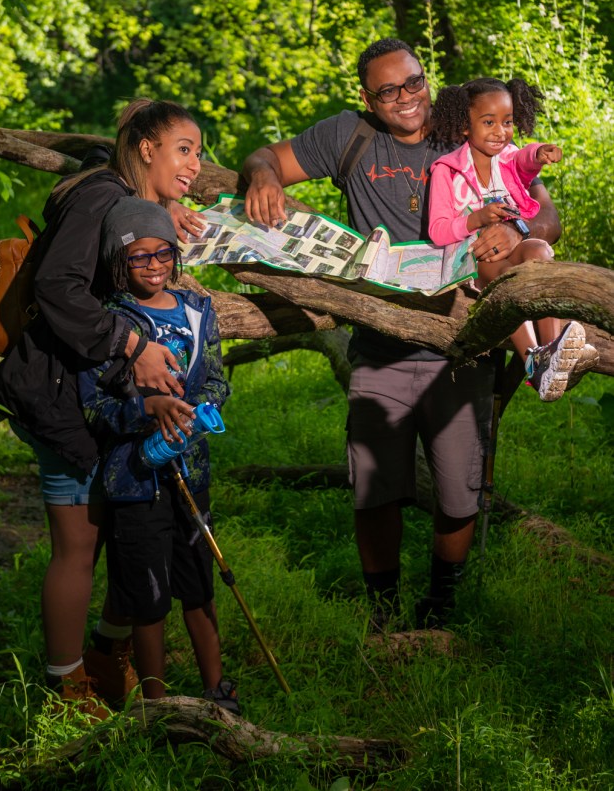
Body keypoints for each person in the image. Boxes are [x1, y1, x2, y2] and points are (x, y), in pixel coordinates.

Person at [240, 38, 567, 630]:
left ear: (427, 78)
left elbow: (545, 214)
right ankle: (383, 611)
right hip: (381, 346)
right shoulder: (349, 136)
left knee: (457, 490)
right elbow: (267, 157)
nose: (405, 98)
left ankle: (440, 608)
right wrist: (261, 178)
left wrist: (512, 228)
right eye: (387, 90)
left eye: (412, 82)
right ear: (367, 96)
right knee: (375, 487)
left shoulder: (465, 126)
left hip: (463, 344)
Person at [0, 99, 205, 717]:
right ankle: (66, 687)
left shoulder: (120, 196)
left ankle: (107, 654)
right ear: (143, 148)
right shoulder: (99, 197)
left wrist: (165, 208)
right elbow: (58, 286)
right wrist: (133, 345)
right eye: (183, 149)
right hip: (54, 391)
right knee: (79, 544)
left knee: (127, 526)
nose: (195, 163)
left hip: (96, 394)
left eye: (198, 152)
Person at [77, 198, 238, 713]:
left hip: (192, 469)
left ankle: (217, 691)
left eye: (162, 254)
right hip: (135, 480)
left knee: (199, 581)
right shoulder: (111, 323)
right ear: (118, 264)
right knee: (147, 596)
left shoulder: (198, 311)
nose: (153, 266)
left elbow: (215, 378)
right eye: (138, 257)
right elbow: (94, 405)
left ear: (176, 255)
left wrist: (199, 409)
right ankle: (156, 706)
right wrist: (148, 410)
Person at [428, 76, 592, 401]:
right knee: (507, 279)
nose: (500, 132)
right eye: (488, 122)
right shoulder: (447, 171)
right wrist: (474, 219)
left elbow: (524, 160)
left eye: (508, 122)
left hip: (511, 249)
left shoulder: (507, 157)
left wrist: (539, 153)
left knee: (540, 252)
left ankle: (553, 349)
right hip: (473, 261)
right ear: (465, 125)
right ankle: (533, 360)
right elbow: (438, 230)